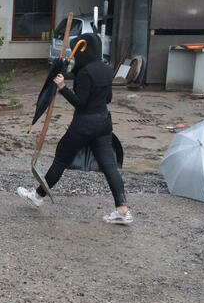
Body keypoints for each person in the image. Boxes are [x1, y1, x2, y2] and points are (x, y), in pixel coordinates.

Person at [17, 33, 133, 225]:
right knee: (109, 165)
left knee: (61, 158)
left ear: (84, 50)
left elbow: (80, 104)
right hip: (104, 123)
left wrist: (62, 87)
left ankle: (37, 197)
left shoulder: (86, 72)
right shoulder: (106, 68)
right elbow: (108, 98)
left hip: (84, 125)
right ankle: (122, 210)